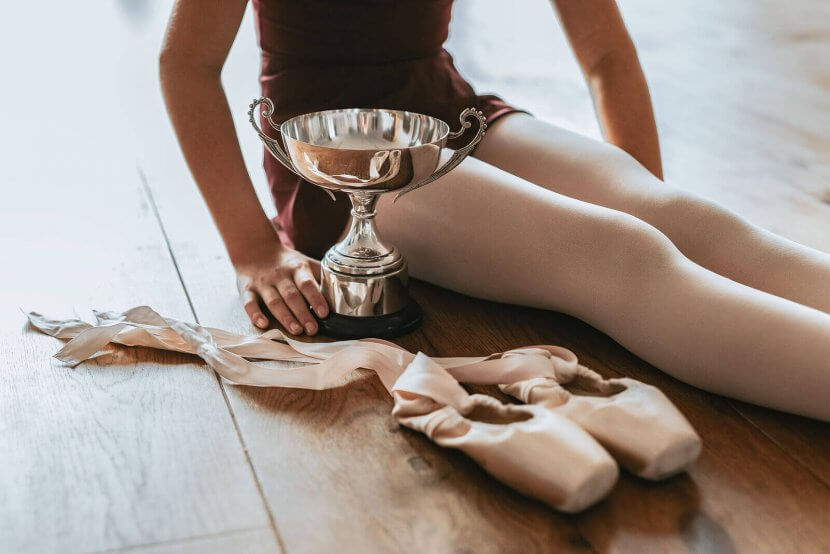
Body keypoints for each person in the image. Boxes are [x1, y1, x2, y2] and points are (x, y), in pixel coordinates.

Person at [159, 0, 830, 420]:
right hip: (342, 162)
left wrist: (648, 212)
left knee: (680, 216)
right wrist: (253, 249)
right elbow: (186, 61)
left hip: (449, 108)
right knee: (622, 255)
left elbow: (606, 54)